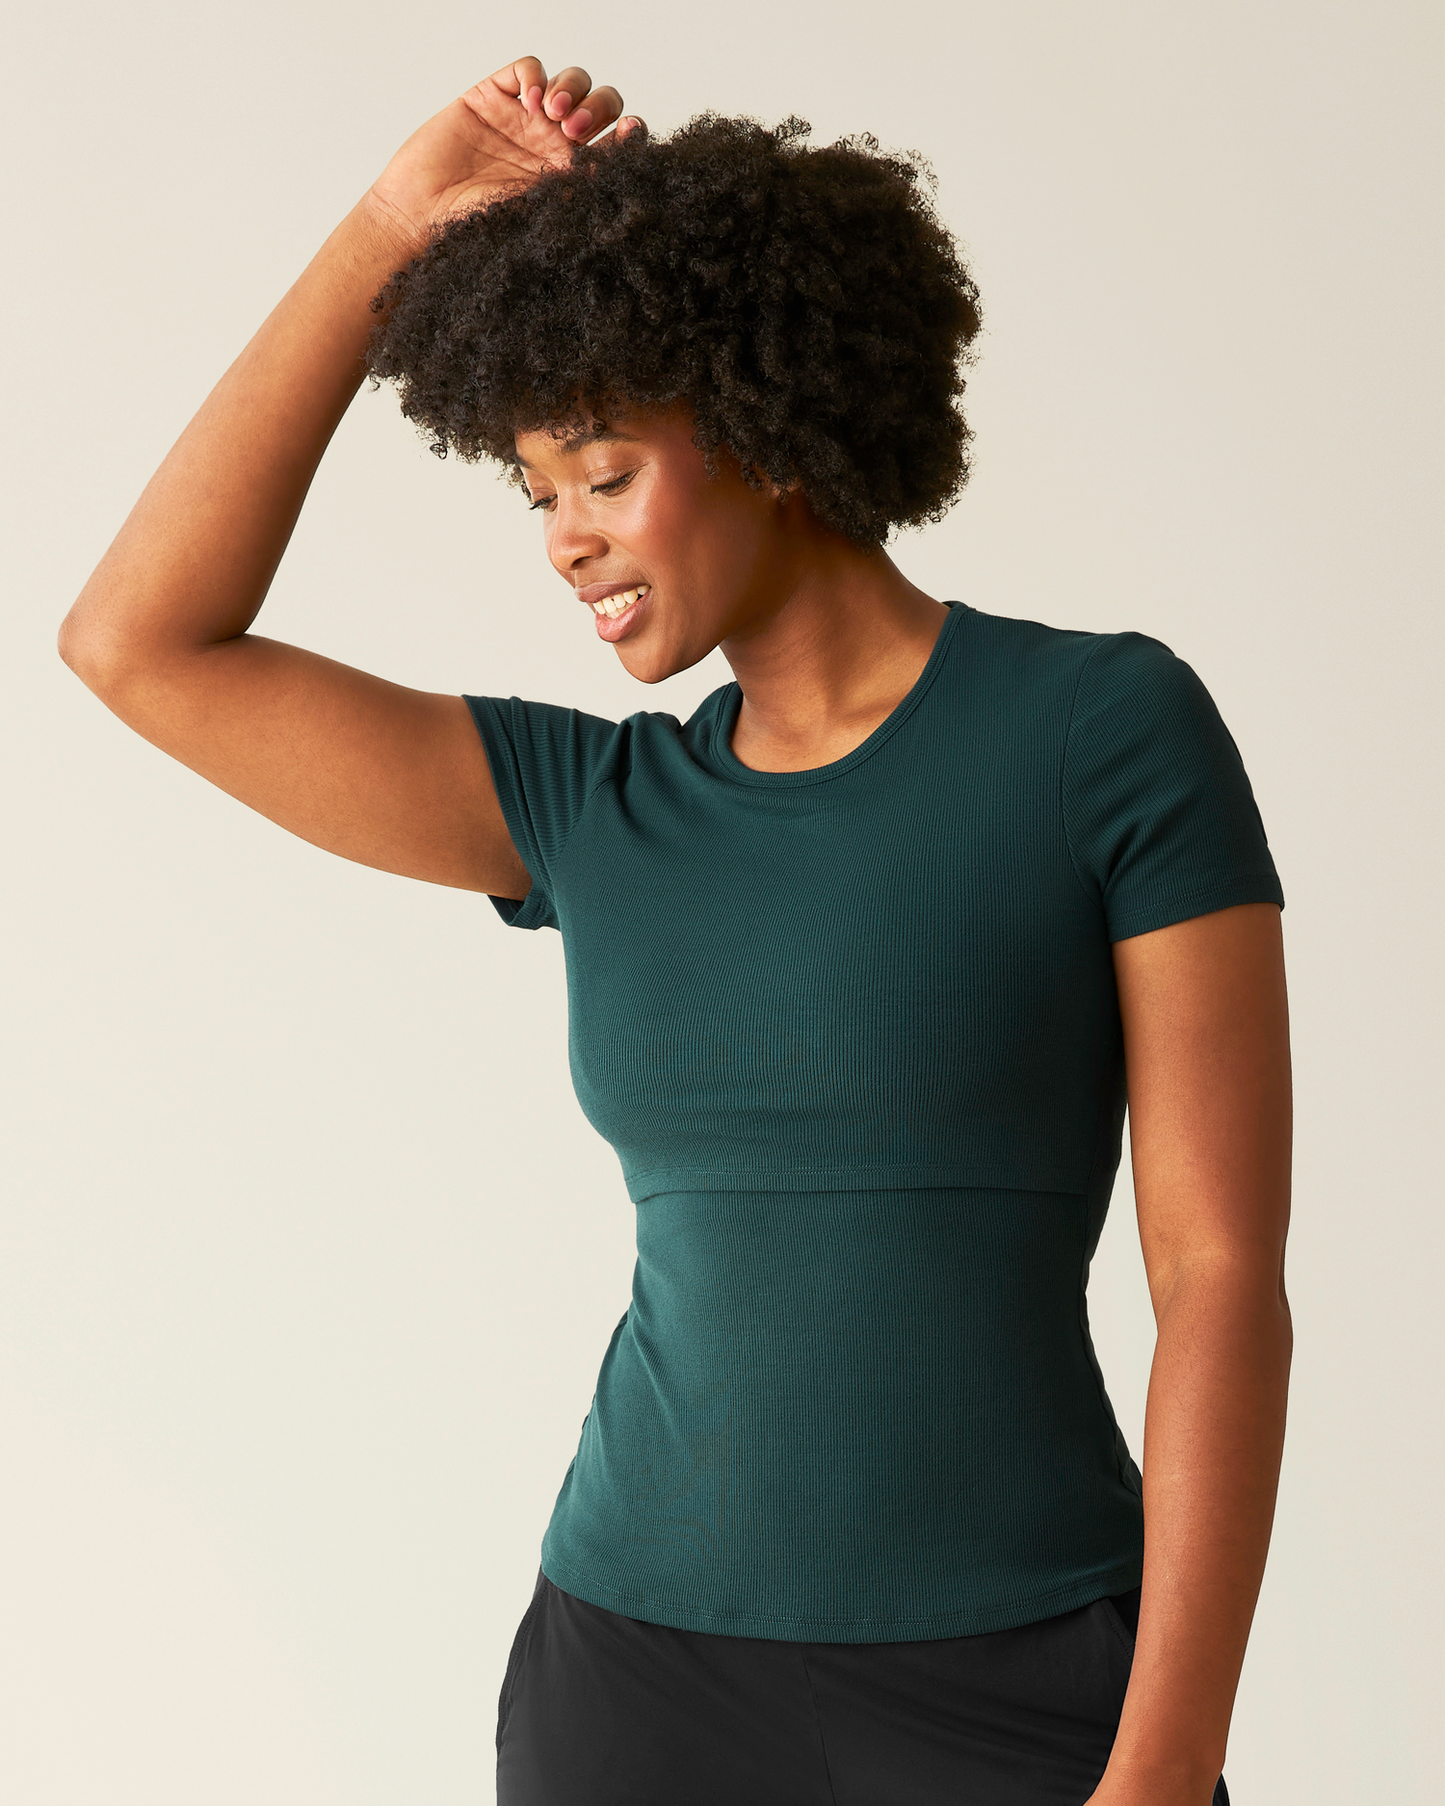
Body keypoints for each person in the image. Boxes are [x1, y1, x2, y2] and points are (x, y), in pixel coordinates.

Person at [58, 56, 1293, 1806]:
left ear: (761, 429)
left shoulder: (1105, 730)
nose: (563, 539)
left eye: (605, 473)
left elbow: (1221, 1279)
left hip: (1032, 1682)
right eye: (535, 490)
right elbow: (136, 643)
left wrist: (1169, 1751)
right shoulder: (591, 808)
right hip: (634, 1677)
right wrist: (389, 233)